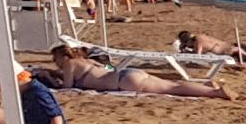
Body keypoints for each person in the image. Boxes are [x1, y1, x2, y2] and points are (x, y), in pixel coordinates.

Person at [48, 46, 233, 99]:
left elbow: (67, 87)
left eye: (55, 60)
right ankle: (206, 86)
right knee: (173, 84)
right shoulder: (87, 60)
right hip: (126, 73)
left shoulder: (69, 64)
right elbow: (110, 68)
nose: (55, 64)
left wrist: (51, 77)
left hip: (123, 83)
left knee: (173, 89)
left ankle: (214, 92)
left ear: (61, 57)